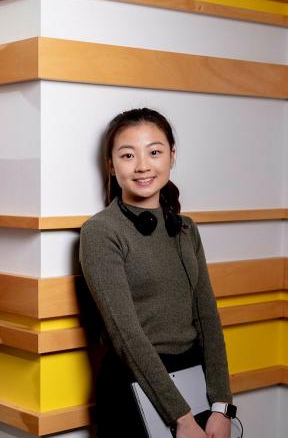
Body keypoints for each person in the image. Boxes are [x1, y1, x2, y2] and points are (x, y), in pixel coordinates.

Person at [79, 108, 236, 438]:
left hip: (193, 381)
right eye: (127, 155)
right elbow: (126, 335)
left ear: (172, 156)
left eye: (154, 152)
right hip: (134, 384)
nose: (142, 166)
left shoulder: (185, 229)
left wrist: (222, 406)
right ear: (110, 164)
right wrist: (182, 417)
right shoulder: (101, 232)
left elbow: (208, 317)